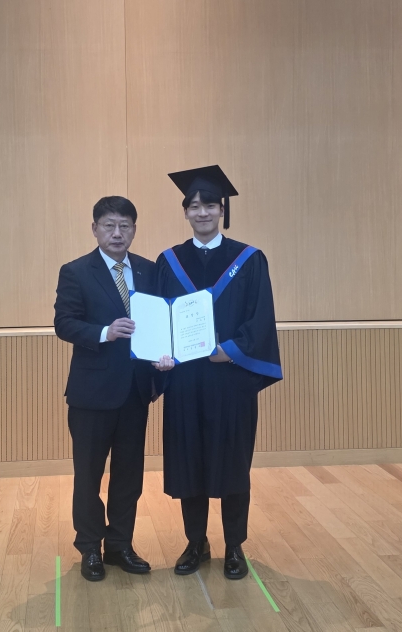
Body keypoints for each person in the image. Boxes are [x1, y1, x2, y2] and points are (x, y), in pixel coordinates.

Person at [155, 166, 283, 580]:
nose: (202, 212)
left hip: (230, 380)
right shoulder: (169, 261)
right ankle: (196, 542)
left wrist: (231, 350)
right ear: (186, 212)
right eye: (194, 206)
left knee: (232, 463)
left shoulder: (249, 260)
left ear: (222, 210)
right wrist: (160, 354)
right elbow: (158, 319)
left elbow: (260, 318)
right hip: (185, 381)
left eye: (210, 205)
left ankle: (234, 545)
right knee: (188, 461)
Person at [53, 196, 160, 581]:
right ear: (95, 228)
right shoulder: (76, 271)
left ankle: (119, 545)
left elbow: (160, 321)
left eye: (125, 226)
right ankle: (90, 548)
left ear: (134, 229)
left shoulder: (149, 270)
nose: (117, 233)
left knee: (129, 475)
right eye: (109, 225)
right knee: (88, 476)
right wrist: (105, 332)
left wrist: (164, 356)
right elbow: (64, 323)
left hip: (135, 392)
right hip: (92, 394)